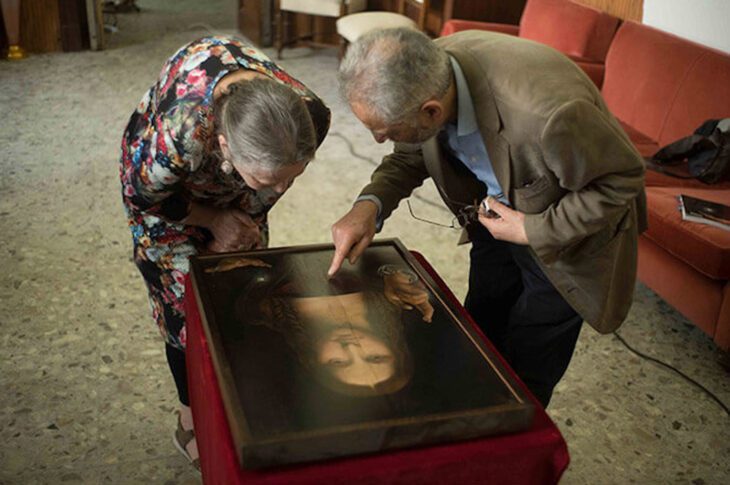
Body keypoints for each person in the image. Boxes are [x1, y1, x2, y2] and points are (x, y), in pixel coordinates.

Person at [328, 28, 646, 408]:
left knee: (530, 359)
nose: (379, 141)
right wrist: (369, 205)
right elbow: (410, 155)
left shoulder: (548, 113)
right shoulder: (423, 70)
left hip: (566, 240)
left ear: (432, 112)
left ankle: (513, 429)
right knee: (480, 324)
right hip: (496, 218)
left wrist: (532, 229)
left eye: (385, 132)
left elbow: (621, 180)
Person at [118, 35, 330, 470]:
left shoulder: (309, 116)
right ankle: (189, 422)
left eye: (291, 178)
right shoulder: (179, 136)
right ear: (225, 148)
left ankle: (238, 401)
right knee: (184, 309)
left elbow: (266, 187)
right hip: (163, 198)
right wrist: (211, 220)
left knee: (244, 284)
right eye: (270, 180)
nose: (282, 190)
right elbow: (143, 196)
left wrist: (242, 219)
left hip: (242, 170)